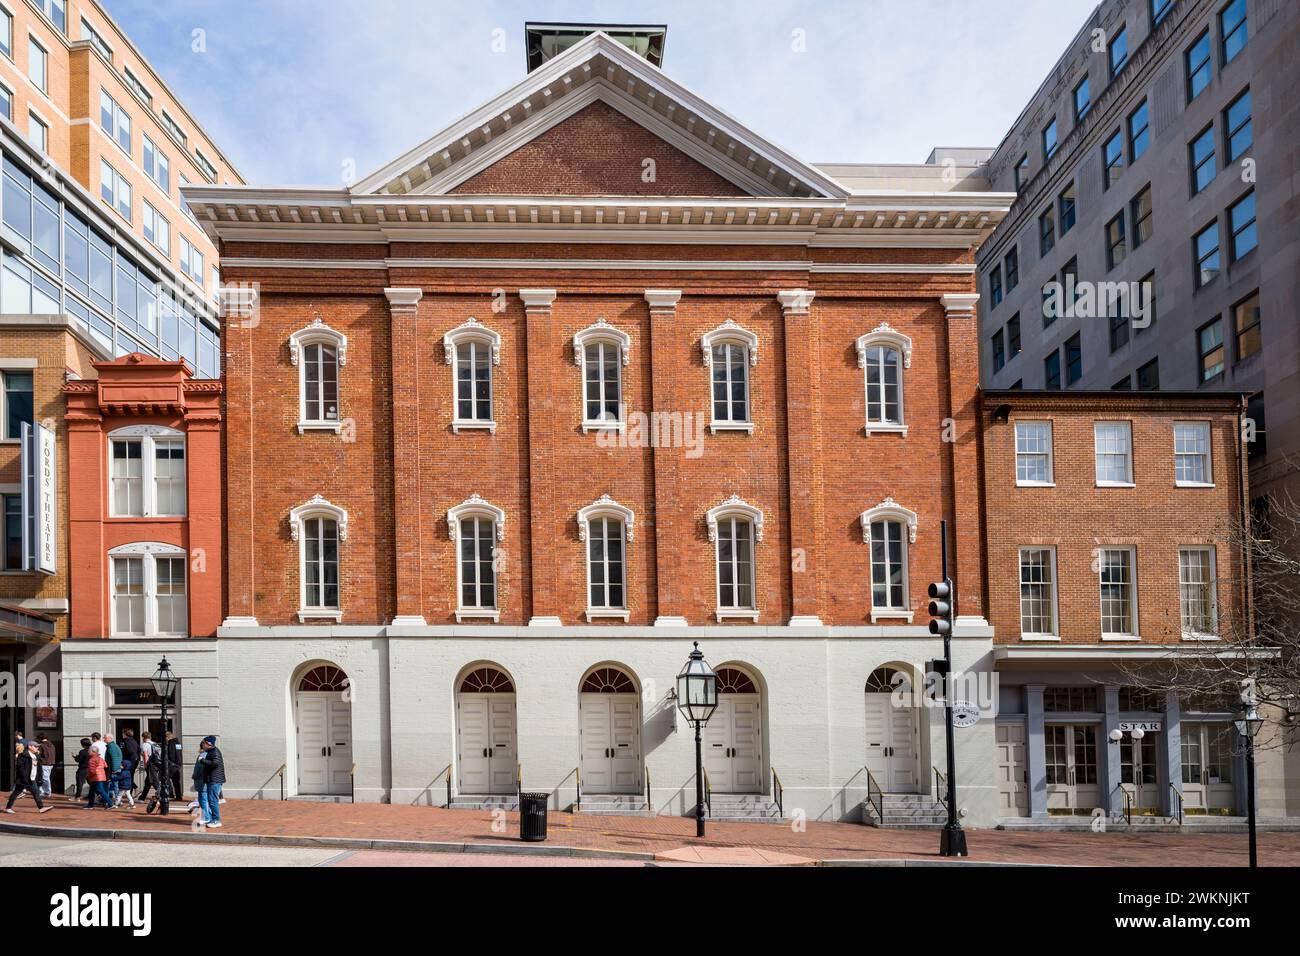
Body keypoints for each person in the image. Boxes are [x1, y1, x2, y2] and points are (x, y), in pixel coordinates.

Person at [5, 741, 51, 813]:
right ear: (30, 746)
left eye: (38, 746)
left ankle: (41, 808)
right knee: (16, 793)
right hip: (23, 779)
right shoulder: (23, 755)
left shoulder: (36, 756)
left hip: (32, 779)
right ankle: (8, 808)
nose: (37, 748)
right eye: (35, 746)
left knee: (36, 793)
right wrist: (24, 778)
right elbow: (20, 768)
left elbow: (39, 768)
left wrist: (39, 778)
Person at [196, 736, 224, 828]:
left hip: (214, 780)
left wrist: (202, 760)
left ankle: (216, 820)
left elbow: (215, 764)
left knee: (213, 801)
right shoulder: (211, 752)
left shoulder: (214, 752)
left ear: (209, 744)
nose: (202, 745)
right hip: (212, 779)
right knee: (211, 801)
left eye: (203, 743)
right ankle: (213, 819)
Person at [138, 732, 162, 810]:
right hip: (157, 764)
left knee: (154, 780)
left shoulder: (145, 744)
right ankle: (142, 798)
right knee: (148, 781)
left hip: (150, 764)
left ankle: (161, 795)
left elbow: (145, 755)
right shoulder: (155, 744)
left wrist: (145, 765)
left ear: (143, 737)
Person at [103, 734, 123, 805]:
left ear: (110, 738)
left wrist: (114, 769)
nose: (103, 739)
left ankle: (116, 801)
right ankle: (116, 800)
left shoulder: (111, 746)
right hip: (114, 769)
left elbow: (114, 758)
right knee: (114, 785)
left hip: (113, 769)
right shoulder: (113, 746)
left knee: (114, 785)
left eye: (105, 738)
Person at [35, 733, 55, 799]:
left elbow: (38, 754)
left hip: (44, 763)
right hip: (51, 763)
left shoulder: (41, 745)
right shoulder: (51, 745)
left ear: (40, 739)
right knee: (46, 778)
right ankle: (43, 791)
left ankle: (47, 792)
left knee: (45, 778)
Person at [166, 732, 183, 802]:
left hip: (172, 764)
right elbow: (179, 753)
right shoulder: (178, 743)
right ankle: (178, 796)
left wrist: (170, 761)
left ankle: (171, 794)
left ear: (167, 737)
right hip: (178, 764)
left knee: (166, 778)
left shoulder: (170, 743)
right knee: (176, 781)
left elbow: (171, 754)